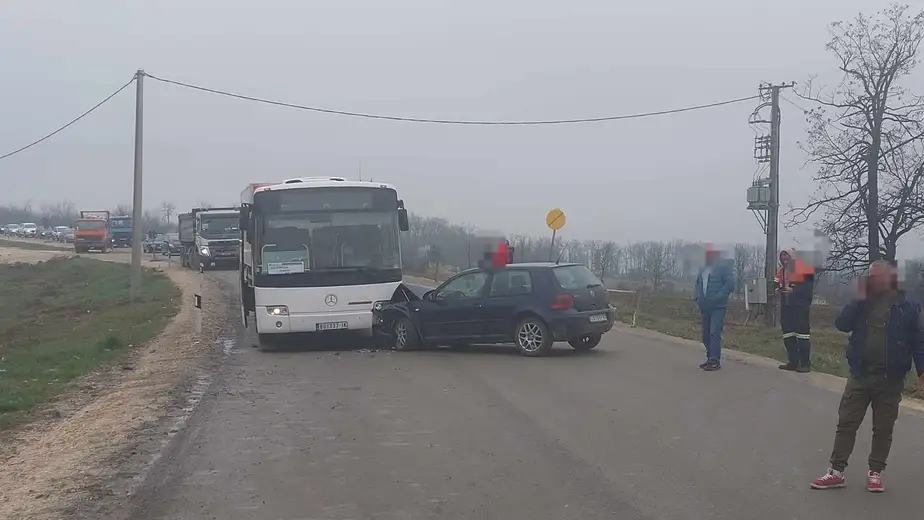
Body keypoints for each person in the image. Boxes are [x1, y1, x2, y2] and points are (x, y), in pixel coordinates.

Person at [811, 260, 924, 493]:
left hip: (890, 378)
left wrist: (922, 371)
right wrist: (859, 299)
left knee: (883, 428)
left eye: (878, 277)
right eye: (870, 276)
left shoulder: (907, 305)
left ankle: (875, 472)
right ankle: (836, 472)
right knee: (846, 423)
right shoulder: (863, 302)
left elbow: (918, 341)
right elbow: (842, 324)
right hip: (861, 374)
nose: (874, 281)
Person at [693, 246, 735, 371]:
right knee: (705, 334)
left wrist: (718, 297)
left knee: (714, 333)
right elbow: (698, 284)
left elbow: (730, 284)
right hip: (704, 305)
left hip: (718, 306)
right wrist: (697, 297)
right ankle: (710, 357)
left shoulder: (724, 267)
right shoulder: (702, 268)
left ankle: (714, 360)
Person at [775, 248, 815, 373]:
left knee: (802, 335)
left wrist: (794, 291)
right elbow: (776, 284)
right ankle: (793, 362)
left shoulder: (805, 268)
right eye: (782, 257)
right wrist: (778, 290)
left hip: (800, 307)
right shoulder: (780, 271)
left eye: (786, 256)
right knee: (788, 335)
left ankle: (805, 363)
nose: (784, 259)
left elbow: (808, 290)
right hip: (786, 306)